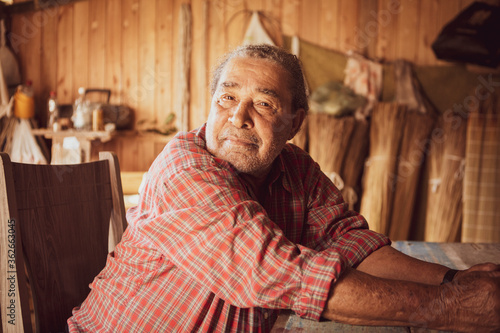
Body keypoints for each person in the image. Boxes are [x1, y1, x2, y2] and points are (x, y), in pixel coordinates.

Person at [67, 44, 500, 332]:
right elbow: (271, 272)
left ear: (295, 123)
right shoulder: (186, 168)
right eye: (227, 98)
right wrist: (451, 307)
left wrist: (455, 280)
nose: (238, 117)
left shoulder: (294, 167)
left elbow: (350, 241)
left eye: (264, 103)